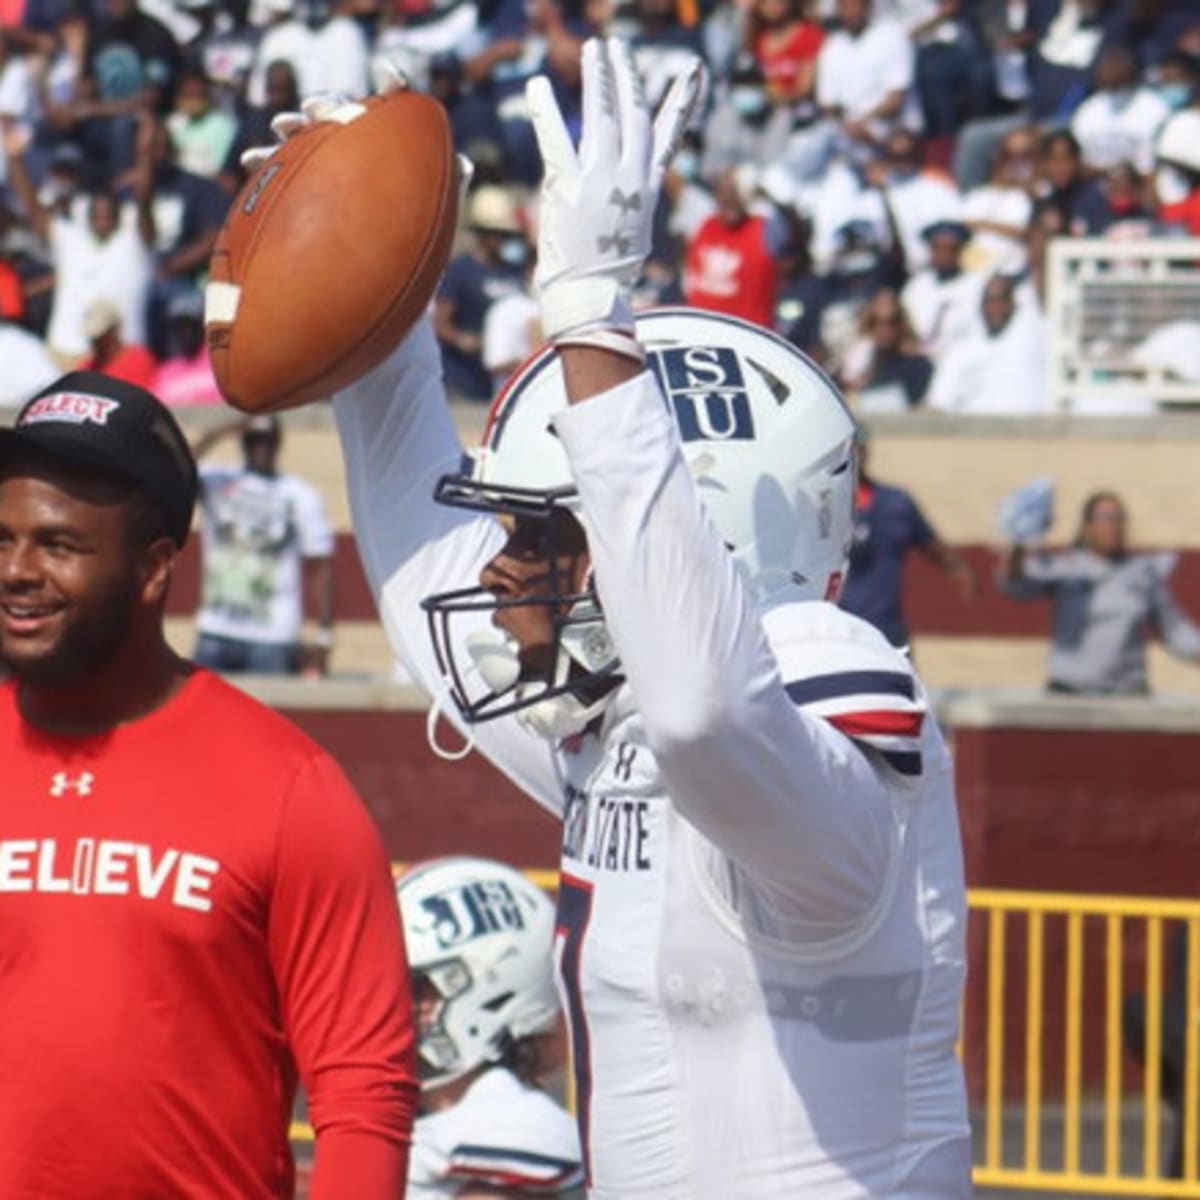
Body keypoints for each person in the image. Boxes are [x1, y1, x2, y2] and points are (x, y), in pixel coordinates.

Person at [264, 39, 971, 1196]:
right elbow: (425, 585)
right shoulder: (621, 734)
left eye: (545, 534)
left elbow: (710, 712)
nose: (501, 572)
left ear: (704, 533)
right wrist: (378, 272)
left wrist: (594, 311)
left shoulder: (818, 689)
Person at [0, 371, 417, 1196]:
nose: (17, 569)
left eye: (59, 544)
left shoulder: (290, 790)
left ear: (155, 569)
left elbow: (364, 1092)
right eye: (1, 539)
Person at [397, 857, 583, 1198]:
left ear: (494, 994)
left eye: (419, 990)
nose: (393, 1008)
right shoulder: (422, 1123)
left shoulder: (506, 1128)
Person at [998, 490, 1200, 695]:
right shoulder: (1065, 566)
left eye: (1118, 519)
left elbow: (1175, 628)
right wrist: (1018, 544)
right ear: (1087, 527)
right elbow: (1016, 586)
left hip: (1126, 692)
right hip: (1071, 693)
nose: (1113, 526)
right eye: (1104, 518)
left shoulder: (1142, 573)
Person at [191, 414, 336, 677]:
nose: (261, 448)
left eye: (268, 441)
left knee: (265, 714)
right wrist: (220, 431)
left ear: (278, 443)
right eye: (254, 440)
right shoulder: (218, 480)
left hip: (272, 636)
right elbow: (178, 469)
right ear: (243, 441)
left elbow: (320, 566)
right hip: (216, 628)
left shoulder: (299, 494)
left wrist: (323, 638)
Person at [839, 430, 975, 649]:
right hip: (841, 628)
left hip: (888, 626)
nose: (856, 456)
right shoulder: (826, 505)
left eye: (860, 449)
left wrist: (959, 570)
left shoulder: (896, 502)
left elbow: (933, 546)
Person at [927, 273, 1048, 414]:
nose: (995, 307)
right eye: (989, 301)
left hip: (1032, 429)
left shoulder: (1033, 331)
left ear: (1014, 303)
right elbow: (937, 404)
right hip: (975, 430)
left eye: (1001, 300)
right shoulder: (961, 351)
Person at [77, 296, 157, 388]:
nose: (96, 342)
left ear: (114, 330)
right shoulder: (86, 368)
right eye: (93, 337)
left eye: (101, 336)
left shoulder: (139, 360)